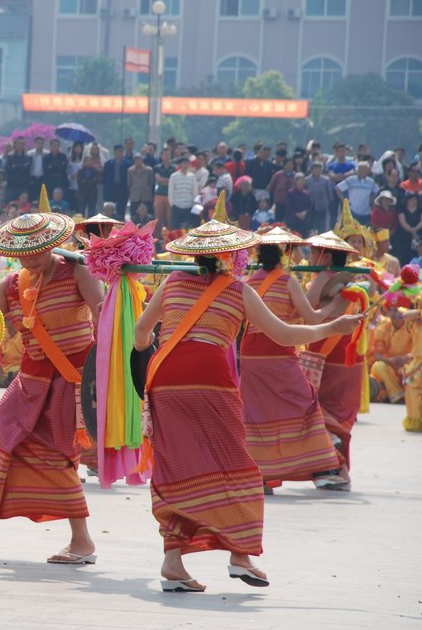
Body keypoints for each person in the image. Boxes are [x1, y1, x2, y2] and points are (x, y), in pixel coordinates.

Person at [135, 220, 359, 592]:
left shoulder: (172, 281)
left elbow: (143, 331)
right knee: (236, 466)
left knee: (174, 467)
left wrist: (144, 356)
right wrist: (332, 328)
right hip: (210, 382)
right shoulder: (237, 290)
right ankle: (240, 553)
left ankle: (173, 559)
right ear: (230, 255)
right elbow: (286, 334)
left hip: (165, 381)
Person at [0, 212, 104, 565]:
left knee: (59, 458)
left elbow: (103, 314)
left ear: (52, 244)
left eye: (40, 248)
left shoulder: (77, 271)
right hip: (30, 381)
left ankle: (82, 542)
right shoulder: (11, 285)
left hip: (72, 379)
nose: (33, 256)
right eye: (26, 251)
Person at [240, 227, 348, 492]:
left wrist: (321, 285)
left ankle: (261, 476)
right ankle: (323, 469)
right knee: (306, 404)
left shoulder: (248, 281)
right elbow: (311, 318)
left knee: (256, 414)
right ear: (285, 254)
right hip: (278, 352)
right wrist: (337, 304)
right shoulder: (287, 281)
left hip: (250, 355)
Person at [302, 231, 364, 486]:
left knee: (320, 411)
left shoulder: (323, 277)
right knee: (338, 417)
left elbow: (306, 309)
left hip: (327, 355)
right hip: (351, 356)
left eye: (313, 253)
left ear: (325, 257)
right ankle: (336, 473)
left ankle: (334, 468)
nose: (309, 258)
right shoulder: (354, 284)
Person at [370, 305, 415, 404]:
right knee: (378, 366)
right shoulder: (382, 328)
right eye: (391, 310)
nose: (394, 314)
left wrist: (405, 358)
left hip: (409, 364)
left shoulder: (412, 327)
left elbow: (419, 351)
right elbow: (377, 355)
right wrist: (391, 361)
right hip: (388, 365)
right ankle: (398, 397)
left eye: (397, 311)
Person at [393, 192, 422, 264]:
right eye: (411, 199)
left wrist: (415, 230)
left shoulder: (420, 209)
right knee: (404, 255)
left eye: (414, 199)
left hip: (418, 235)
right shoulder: (402, 209)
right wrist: (412, 231)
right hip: (404, 236)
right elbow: (403, 222)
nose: (413, 200)